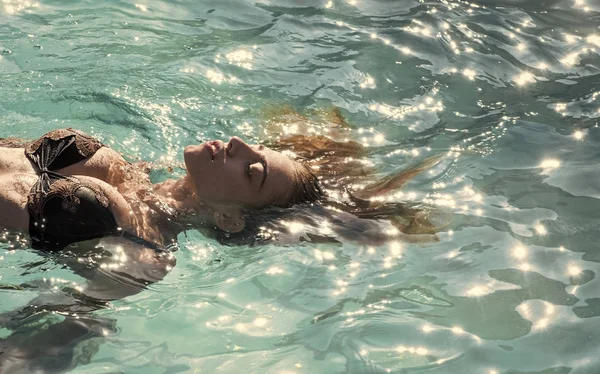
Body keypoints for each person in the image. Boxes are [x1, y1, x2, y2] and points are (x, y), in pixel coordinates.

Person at [0, 108, 442, 373]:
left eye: (253, 171)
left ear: (229, 219)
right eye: (256, 150)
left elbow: (62, 330)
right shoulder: (134, 170)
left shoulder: (145, 256)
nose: (239, 144)